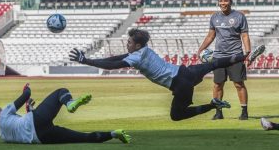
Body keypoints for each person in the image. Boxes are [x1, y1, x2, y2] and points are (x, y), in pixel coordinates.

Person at [69, 28, 265, 121]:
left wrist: (86, 60)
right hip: (185, 71)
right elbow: (115, 58)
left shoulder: (135, 58)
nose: (127, 44)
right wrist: (87, 59)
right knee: (214, 64)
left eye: (129, 42)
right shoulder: (143, 51)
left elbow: (113, 64)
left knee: (176, 116)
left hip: (180, 84)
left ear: (136, 45)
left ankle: (212, 105)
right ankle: (243, 56)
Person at [0, 84, 131, 144]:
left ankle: (114, 134)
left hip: (42, 137)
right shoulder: (5, 114)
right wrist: (25, 88)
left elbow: (23, 129)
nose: (1, 109)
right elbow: (27, 94)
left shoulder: (3, 135)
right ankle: (70, 103)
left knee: (83, 137)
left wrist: (29, 110)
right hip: (37, 120)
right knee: (61, 91)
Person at [197, 0, 265, 120]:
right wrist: (201, 49)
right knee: (217, 84)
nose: (223, 3)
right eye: (221, 1)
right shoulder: (214, 17)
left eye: (226, 1)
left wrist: (248, 52)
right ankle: (218, 112)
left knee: (239, 84)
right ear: (218, 2)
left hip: (235, 55)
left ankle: (244, 112)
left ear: (231, 1)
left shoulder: (239, 16)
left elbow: (244, 35)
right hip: (218, 57)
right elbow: (211, 36)